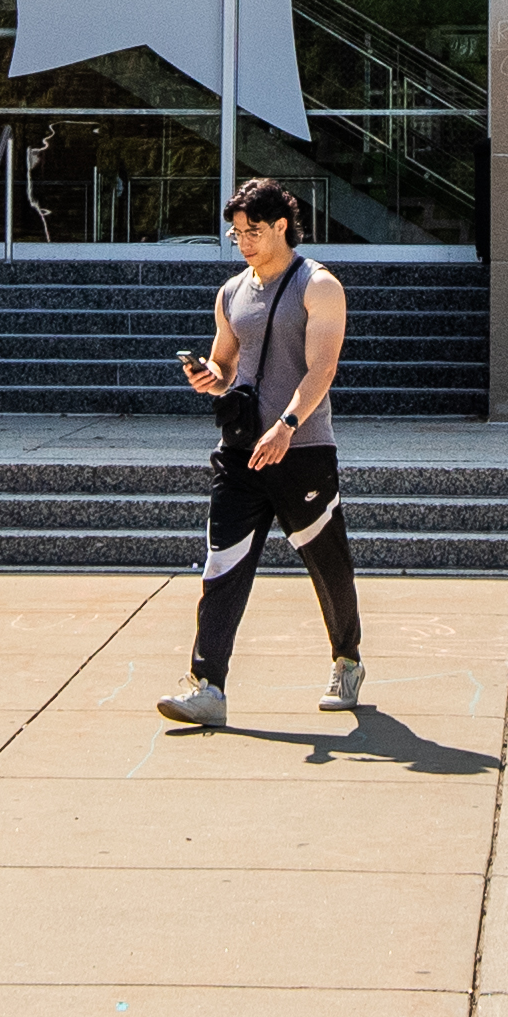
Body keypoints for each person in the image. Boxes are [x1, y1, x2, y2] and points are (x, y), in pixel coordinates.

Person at [159, 178, 362, 726]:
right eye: (236, 232)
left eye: (252, 230)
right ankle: (208, 685)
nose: (242, 240)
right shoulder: (231, 292)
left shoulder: (318, 286)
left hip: (302, 449)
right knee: (220, 565)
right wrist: (209, 376)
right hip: (242, 451)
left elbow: (322, 368)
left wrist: (288, 426)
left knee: (328, 563)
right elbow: (226, 363)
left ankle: (347, 659)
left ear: (280, 226)